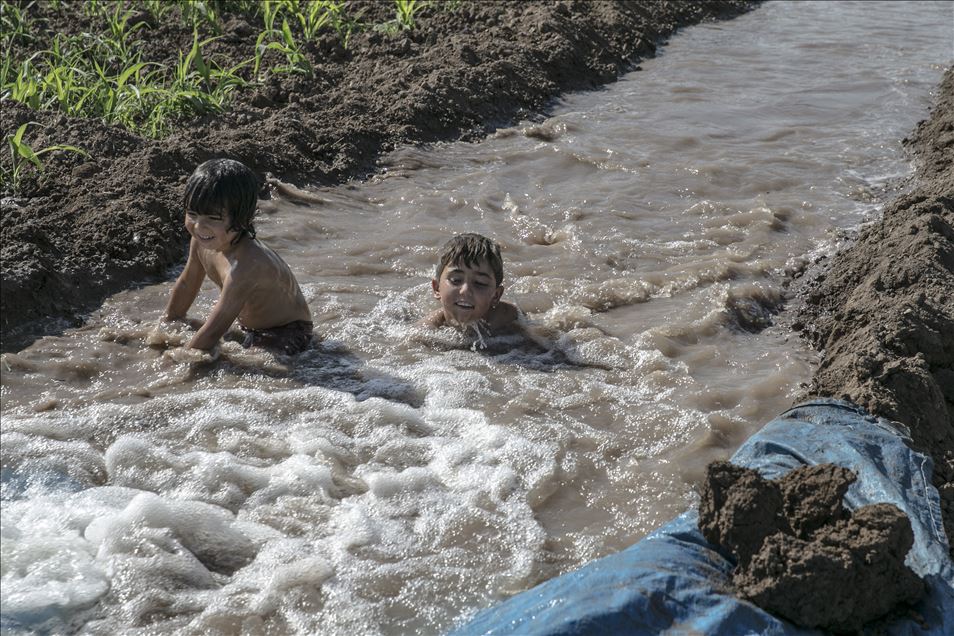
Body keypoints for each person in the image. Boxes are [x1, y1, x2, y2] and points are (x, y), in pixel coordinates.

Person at [163, 158, 314, 355]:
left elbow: (214, 331)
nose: (199, 226)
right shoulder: (201, 240)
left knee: (246, 365)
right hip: (249, 326)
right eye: (192, 214)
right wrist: (168, 322)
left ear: (242, 219)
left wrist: (180, 358)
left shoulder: (247, 265)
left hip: (287, 332)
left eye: (213, 218)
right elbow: (186, 284)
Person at [423, 233, 519, 332]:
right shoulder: (425, 331)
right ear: (437, 288)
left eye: (480, 283)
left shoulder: (509, 316)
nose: (465, 290)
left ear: (496, 296)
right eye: (456, 280)